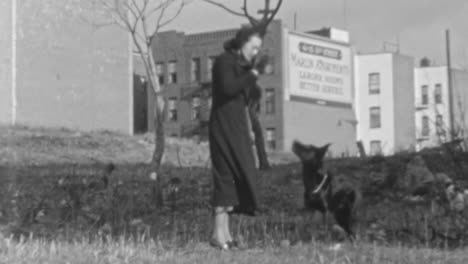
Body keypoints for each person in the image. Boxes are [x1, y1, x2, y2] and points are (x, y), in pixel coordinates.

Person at [208, 26, 269, 250]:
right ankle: (218, 234)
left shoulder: (240, 66)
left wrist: (254, 78)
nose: (255, 52)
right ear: (242, 43)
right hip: (223, 128)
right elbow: (228, 88)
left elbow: (247, 98)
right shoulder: (224, 62)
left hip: (238, 129)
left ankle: (225, 235)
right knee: (224, 177)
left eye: (258, 49)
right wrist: (251, 74)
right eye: (253, 47)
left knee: (235, 177)